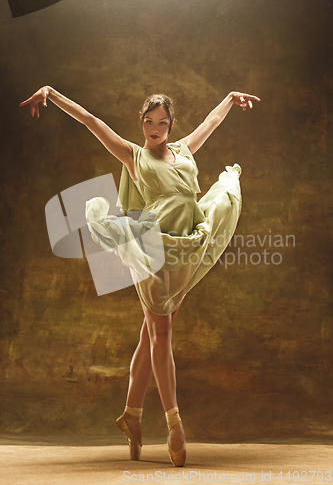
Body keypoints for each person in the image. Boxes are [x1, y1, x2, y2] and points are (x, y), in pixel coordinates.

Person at [20, 86, 260, 467]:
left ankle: (131, 415)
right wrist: (52, 94)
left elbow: (211, 122)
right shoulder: (134, 156)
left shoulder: (183, 150)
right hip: (152, 251)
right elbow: (91, 121)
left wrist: (230, 100)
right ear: (142, 122)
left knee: (152, 333)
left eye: (162, 123)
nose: (155, 128)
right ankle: (174, 424)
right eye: (149, 122)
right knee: (161, 334)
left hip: (184, 249)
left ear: (171, 124)